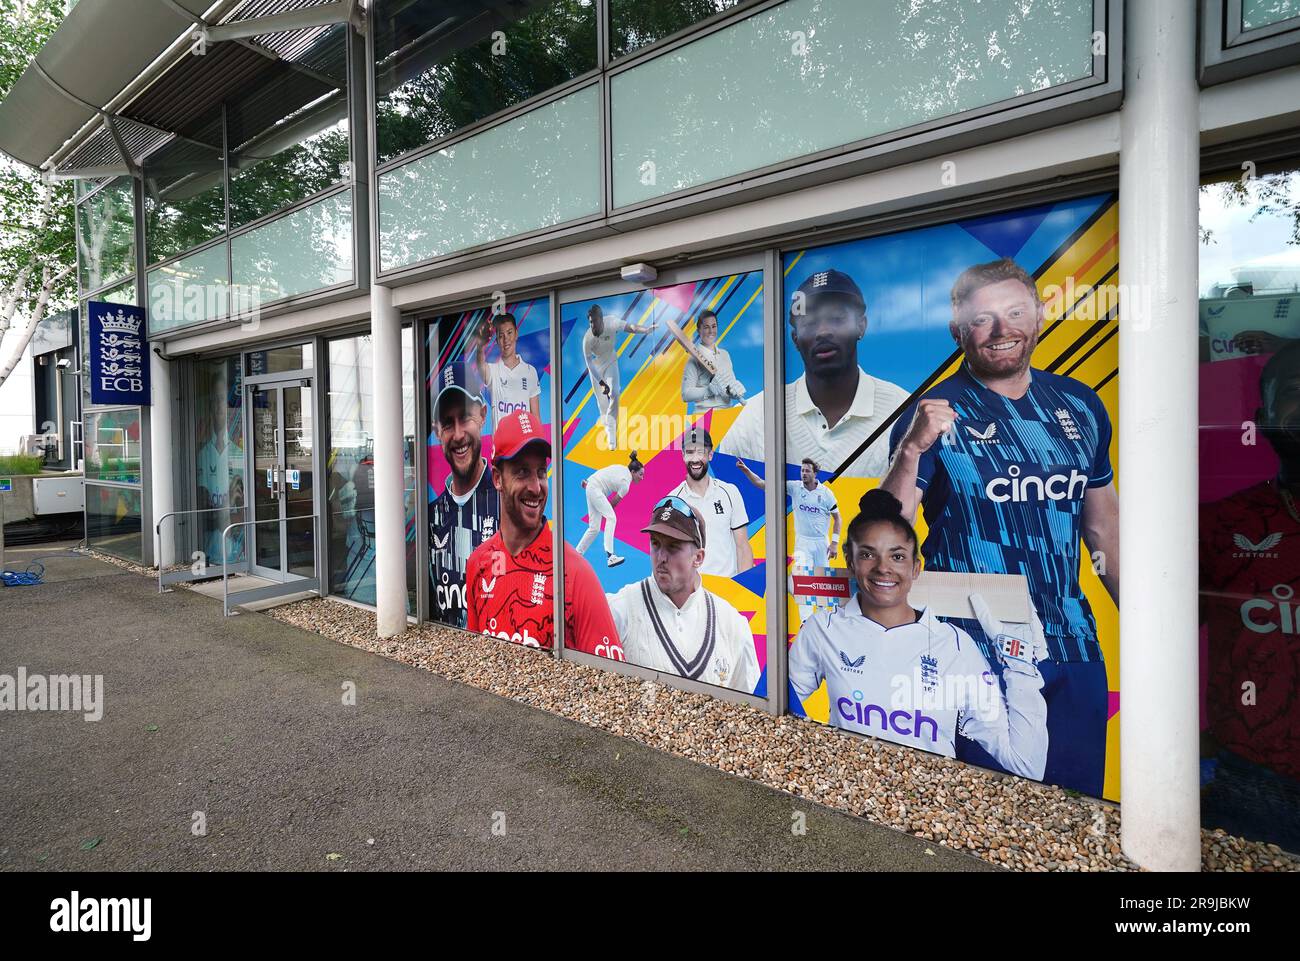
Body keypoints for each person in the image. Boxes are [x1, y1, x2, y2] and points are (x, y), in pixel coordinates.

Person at [882, 257, 1119, 797]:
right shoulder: (935, 413)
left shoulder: (1080, 405)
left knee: (1077, 814)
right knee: (986, 816)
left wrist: (1148, 633)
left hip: (1072, 644)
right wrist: (913, 448)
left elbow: (1104, 526)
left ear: (1039, 316)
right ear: (958, 331)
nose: (1001, 329)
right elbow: (890, 535)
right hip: (973, 649)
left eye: (1014, 312)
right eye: (982, 318)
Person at [789, 489, 1049, 778]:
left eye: (897, 556)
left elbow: (1027, 764)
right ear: (851, 563)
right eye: (867, 554)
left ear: (916, 568)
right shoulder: (823, 629)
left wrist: (1021, 666)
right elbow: (775, 708)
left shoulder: (955, 646)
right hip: (845, 799)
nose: (883, 569)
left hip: (925, 808)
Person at [1199, 340, 1300, 851]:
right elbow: (1162, 637)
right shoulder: (1220, 525)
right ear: (1262, 419)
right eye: (1294, 393)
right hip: (1253, 782)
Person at [720, 269, 908, 477]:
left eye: (836, 319)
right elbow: (723, 497)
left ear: (861, 326)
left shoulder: (903, 411)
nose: (823, 332)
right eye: (809, 323)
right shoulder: (757, 416)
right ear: (795, 339)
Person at [465, 410, 622, 658]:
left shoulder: (575, 574)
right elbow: (474, 666)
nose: (536, 487)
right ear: (497, 479)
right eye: (522, 472)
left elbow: (609, 683)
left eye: (540, 472)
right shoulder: (478, 563)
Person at [606, 497, 759, 692]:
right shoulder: (620, 609)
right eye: (655, 543)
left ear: (698, 557)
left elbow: (747, 704)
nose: (661, 557)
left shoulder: (732, 623)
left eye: (673, 547)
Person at [429, 360, 498, 629]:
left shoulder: (508, 503)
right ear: (437, 431)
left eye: (465, 418)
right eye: (448, 423)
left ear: (482, 415)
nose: (458, 434)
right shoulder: (432, 515)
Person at [667, 427, 753, 576]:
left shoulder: (730, 492)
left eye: (700, 452)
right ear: (682, 455)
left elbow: (742, 546)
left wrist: (744, 589)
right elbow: (671, 554)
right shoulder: (673, 501)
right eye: (690, 452)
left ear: (710, 455)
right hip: (692, 593)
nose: (695, 459)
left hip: (727, 589)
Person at [736, 456, 839, 573]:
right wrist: (746, 470)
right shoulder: (795, 487)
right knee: (803, 578)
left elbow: (837, 519)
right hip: (802, 542)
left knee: (822, 581)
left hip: (821, 543)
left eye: (807, 471)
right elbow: (762, 483)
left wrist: (834, 543)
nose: (804, 473)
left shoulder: (826, 494)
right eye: (802, 470)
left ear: (815, 473)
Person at [583, 303, 656, 449]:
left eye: (595, 321)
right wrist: (601, 382)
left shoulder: (612, 322)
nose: (593, 325)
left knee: (615, 392)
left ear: (601, 320)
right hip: (596, 368)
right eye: (590, 322)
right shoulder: (587, 339)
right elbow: (589, 364)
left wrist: (646, 330)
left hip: (610, 360)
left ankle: (611, 435)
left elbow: (631, 327)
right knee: (602, 402)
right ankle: (607, 423)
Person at [575, 452, 646, 567]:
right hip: (595, 489)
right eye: (640, 474)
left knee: (594, 528)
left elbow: (604, 473)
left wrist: (588, 483)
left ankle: (577, 555)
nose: (642, 478)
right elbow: (613, 504)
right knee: (611, 518)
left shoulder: (621, 468)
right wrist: (603, 510)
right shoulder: (625, 484)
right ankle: (610, 555)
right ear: (633, 472)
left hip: (591, 486)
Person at [474, 311, 541, 423]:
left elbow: (536, 418)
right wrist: (480, 346)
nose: (506, 339)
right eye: (501, 336)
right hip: (500, 441)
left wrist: (539, 440)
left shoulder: (530, 371)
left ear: (516, 334)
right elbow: (480, 364)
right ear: (496, 341)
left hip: (525, 440)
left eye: (509, 333)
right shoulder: (493, 371)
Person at [680, 309, 744, 412]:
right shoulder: (693, 360)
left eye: (713, 326)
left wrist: (734, 391)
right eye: (706, 327)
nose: (711, 331)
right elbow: (685, 394)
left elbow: (729, 385)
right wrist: (708, 390)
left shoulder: (725, 355)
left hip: (727, 415)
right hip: (704, 417)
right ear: (698, 330)